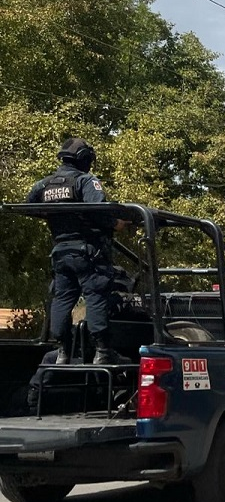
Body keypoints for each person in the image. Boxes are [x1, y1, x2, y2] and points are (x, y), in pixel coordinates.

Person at [25, 137, 127, 365]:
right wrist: (116, 224)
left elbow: (29, 207)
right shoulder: (86, 181)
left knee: (62, 298)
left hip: (60, 253)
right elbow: (99, 211)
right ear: (84, 159)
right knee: (96, 296)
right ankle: (102, 351)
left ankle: (63, 352)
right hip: (88, 253)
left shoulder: (44, 185)